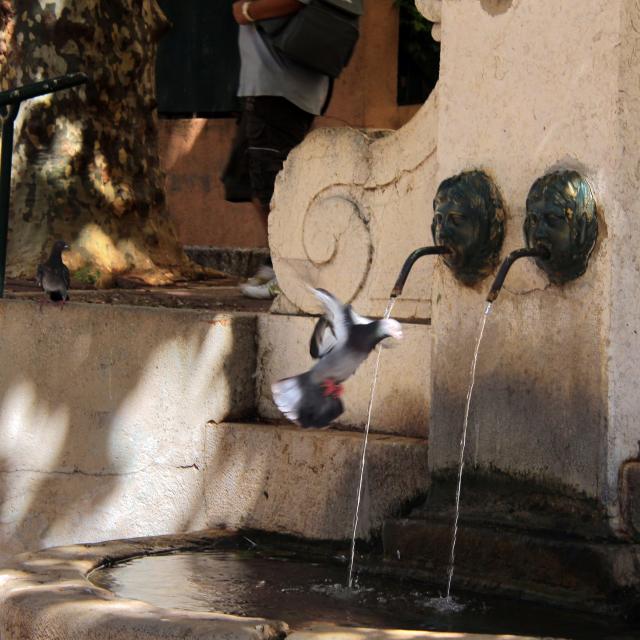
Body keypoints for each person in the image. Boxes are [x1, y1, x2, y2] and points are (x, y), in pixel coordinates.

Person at [223, 0, 330, 299]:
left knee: (272, 184)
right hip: (263, 86)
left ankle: (291, 275)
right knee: (246, 180)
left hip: (280, 87)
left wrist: (246, 11)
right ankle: (277, 262)